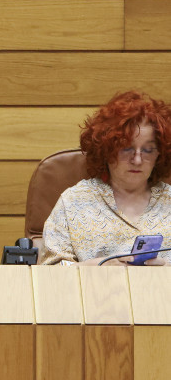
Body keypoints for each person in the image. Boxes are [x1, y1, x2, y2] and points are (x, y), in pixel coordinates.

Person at [41, 90, 171, 265]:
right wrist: (99, 266)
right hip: (91, 291)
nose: (138, 159)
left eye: (148, 150)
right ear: (107, 150)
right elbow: (48, 275)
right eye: (126, 148)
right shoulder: (74, 202)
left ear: (160, 155)